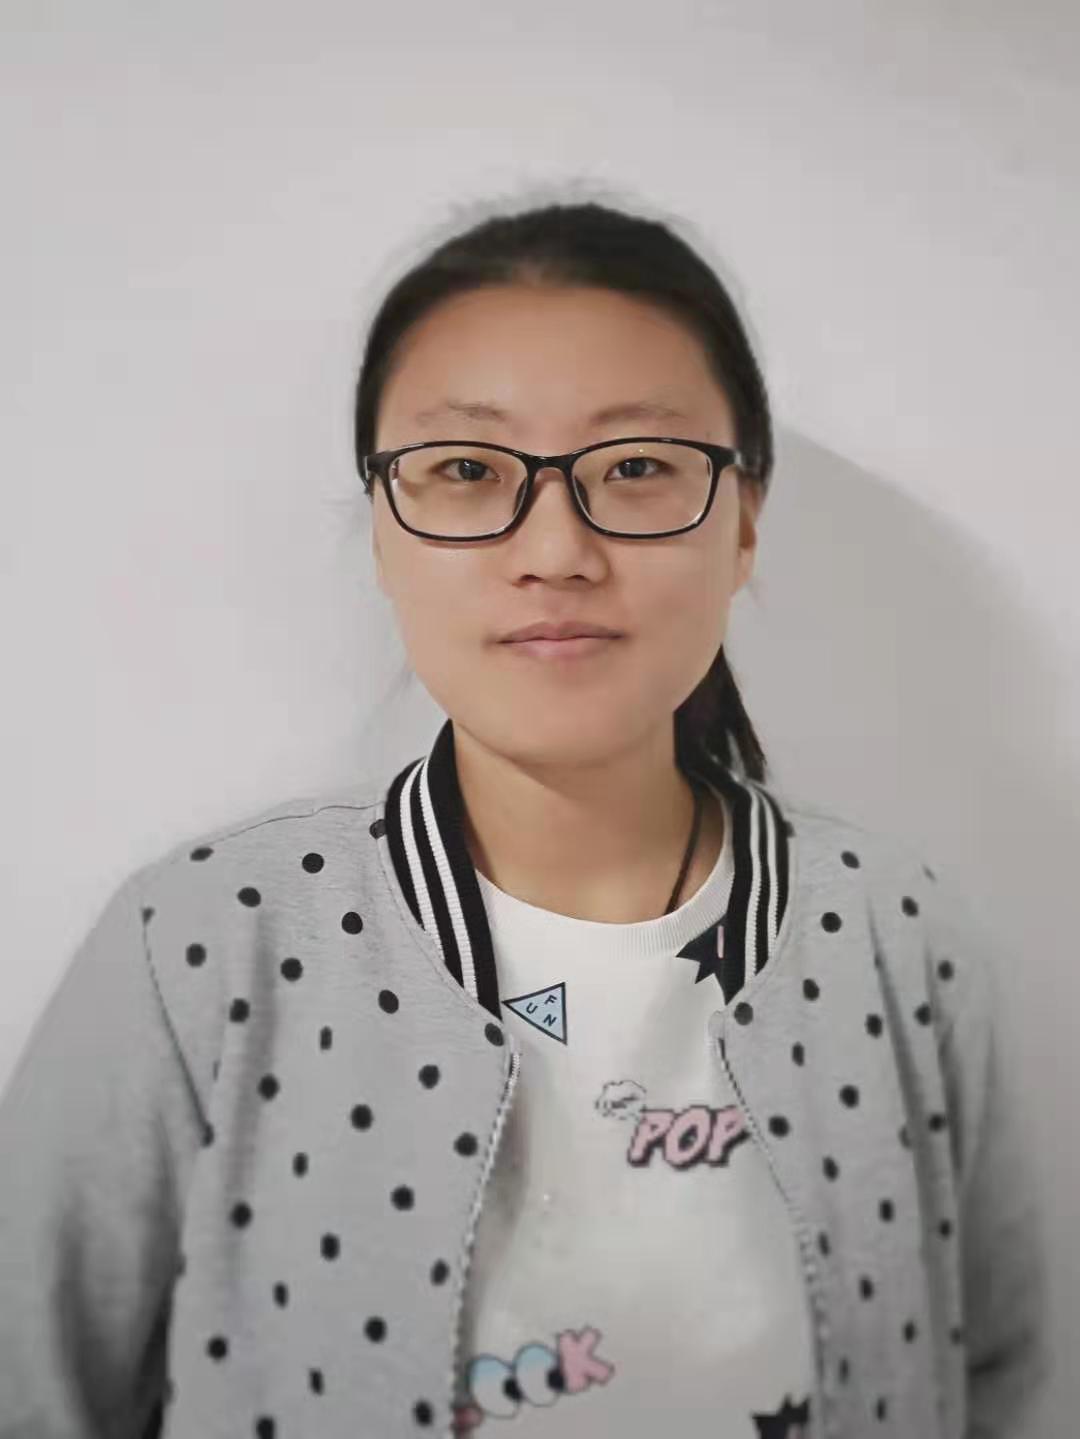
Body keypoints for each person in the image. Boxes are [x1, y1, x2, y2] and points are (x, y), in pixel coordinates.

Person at [0, 196, 1051, 1439]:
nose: (555, 548)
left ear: (744, 521)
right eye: (465, 469)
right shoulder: (204, 946)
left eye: (638, 466)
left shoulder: (895, 932)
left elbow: (1009, 1378)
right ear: (384, 527)